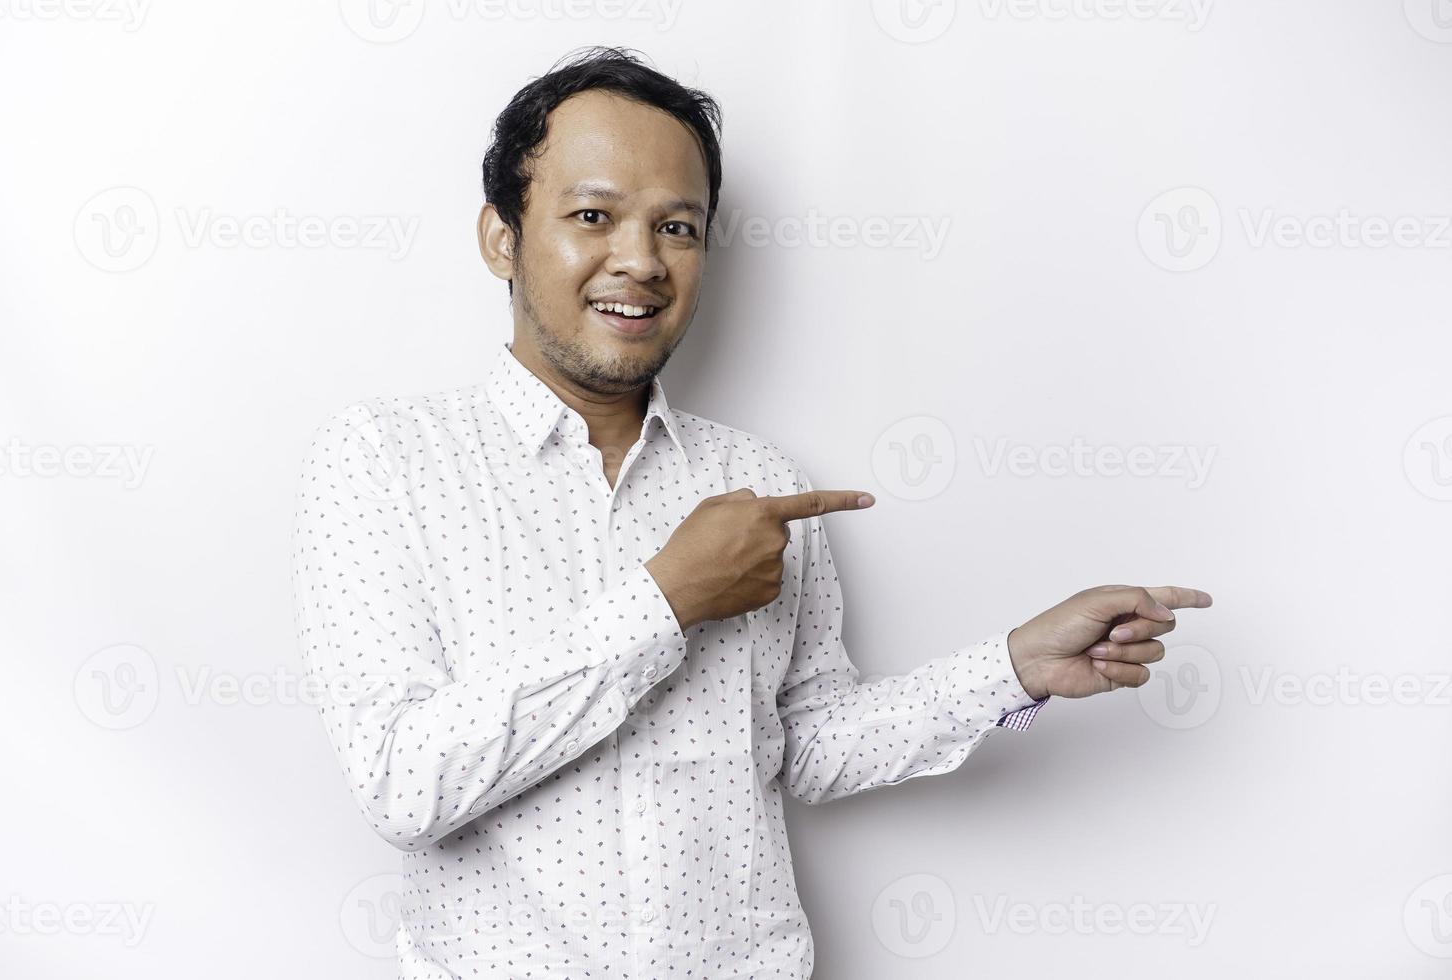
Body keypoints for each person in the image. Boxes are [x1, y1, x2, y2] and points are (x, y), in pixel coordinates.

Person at [290, 45, 1213, 979]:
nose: (641, 261)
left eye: (678, 227)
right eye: (592, 216)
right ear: (501, 237)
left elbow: (807, 746)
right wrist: (666, 600)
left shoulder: (755, 478)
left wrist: (1014, 667)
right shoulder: (384, 460)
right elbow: (405, 784)